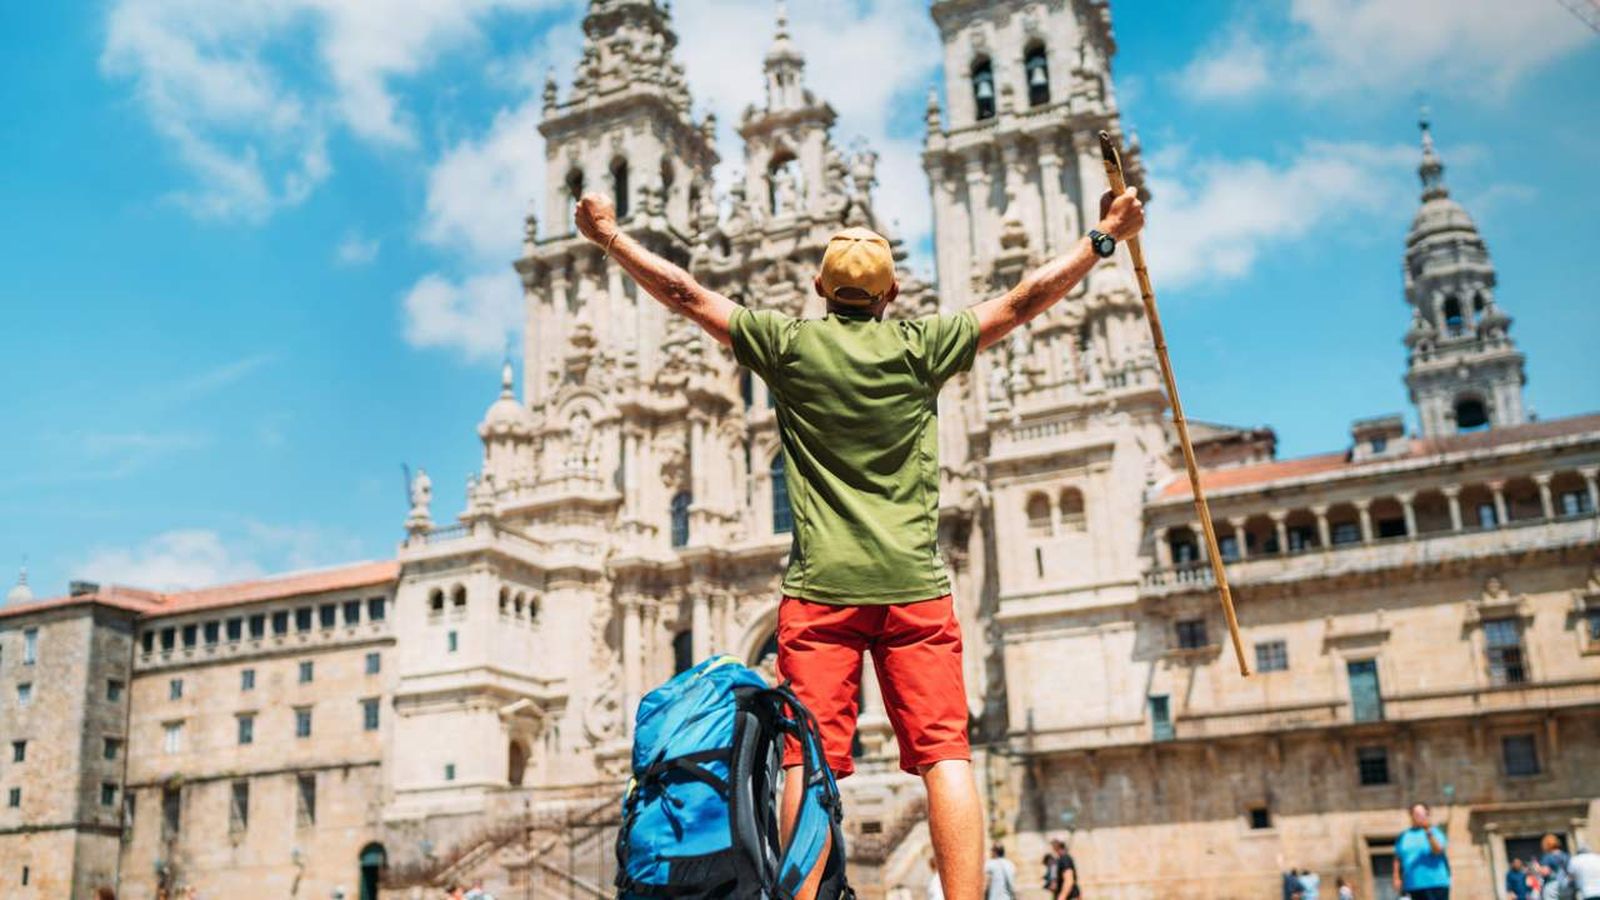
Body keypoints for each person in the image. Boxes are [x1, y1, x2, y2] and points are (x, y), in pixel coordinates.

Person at [575, 176, 1145, 900]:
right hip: (916, 587)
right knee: (946, 756)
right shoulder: (923, 346)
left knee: (805, 762)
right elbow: (1021, 300)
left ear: (816, 287)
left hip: (818, 593)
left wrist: (611, 238)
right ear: (893, 293)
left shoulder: (787, 345)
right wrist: (1103, 240)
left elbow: (687, 295)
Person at [1394, 802, 1451, 900]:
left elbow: (1437, 850)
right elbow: (1398, 858)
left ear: (1427, 815)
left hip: (1435, 884)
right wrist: (1396, 878)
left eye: (1423, 814)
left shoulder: (1436, 832)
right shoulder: (1403, 836)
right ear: (1411, 816)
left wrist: (1428, 832)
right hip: (1412, 885)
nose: (1420, 817)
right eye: (1417, 814)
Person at [1539, 835, 1570, 900]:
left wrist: (1538, 869)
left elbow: (1545, 872)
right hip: (1566, 885)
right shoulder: (1566, 856)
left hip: (1552, 886)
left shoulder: (1547, 857)